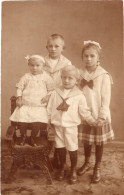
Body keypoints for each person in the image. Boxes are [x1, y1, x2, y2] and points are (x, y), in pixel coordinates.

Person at [47, 65, 97, 184]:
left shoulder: (79, 95)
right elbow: (49, 108)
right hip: (57, 124)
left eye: (70, 78)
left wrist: (91, 120)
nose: (67, 80)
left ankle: (73, 169)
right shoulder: (55, 92)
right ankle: (63, 166)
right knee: (59, 145)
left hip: (71, 126)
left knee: (72, 146)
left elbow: (84, 111)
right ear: (61, 78)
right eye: (64, 77)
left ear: (76, 80)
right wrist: (48, 121)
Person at [77, 40, 114, 183]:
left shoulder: (103, 75)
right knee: (87, 140)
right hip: (85, 113)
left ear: (98, 58)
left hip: (99, 113)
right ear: (82, 57)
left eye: (92, 56)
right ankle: (86, 162)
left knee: (98, 142)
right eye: (86, 56)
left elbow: (106, 98)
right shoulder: (80, 74)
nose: (89, 59)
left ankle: (97, 166)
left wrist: (102, 116)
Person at [10, 55, 54, 146]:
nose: (34, 68)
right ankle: (23, 136)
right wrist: (19, 97)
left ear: (43, 66)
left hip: (39, 106)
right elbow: (19, 88)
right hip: (26, 105)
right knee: (22, 122)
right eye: (32, 65)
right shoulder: (26, 77)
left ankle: (33, 137)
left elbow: (51, 89)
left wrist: (48, 96)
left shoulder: (46, 77)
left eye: (38, 65)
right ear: (29, 65)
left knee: (36, 122)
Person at [44, 34, 72, 168]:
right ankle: (43, 155)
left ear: (63, 48)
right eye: (50, 46)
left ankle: (58, 157)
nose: (53, 49)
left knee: (59, 127)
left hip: (60, 97)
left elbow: (69, 81)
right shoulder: (42, 62)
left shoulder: (66, 63)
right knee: (46, 125)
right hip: (44, 97)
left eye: (57, 46)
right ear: (46, 47)